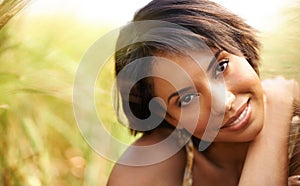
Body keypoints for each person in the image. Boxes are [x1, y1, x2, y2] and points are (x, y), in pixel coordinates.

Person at [107, 0, 300, 185]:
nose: (224, 102)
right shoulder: (150, 167)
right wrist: (277, 109)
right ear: (168, 116)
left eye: (221, 67)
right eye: (188, 98)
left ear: (243, 50)